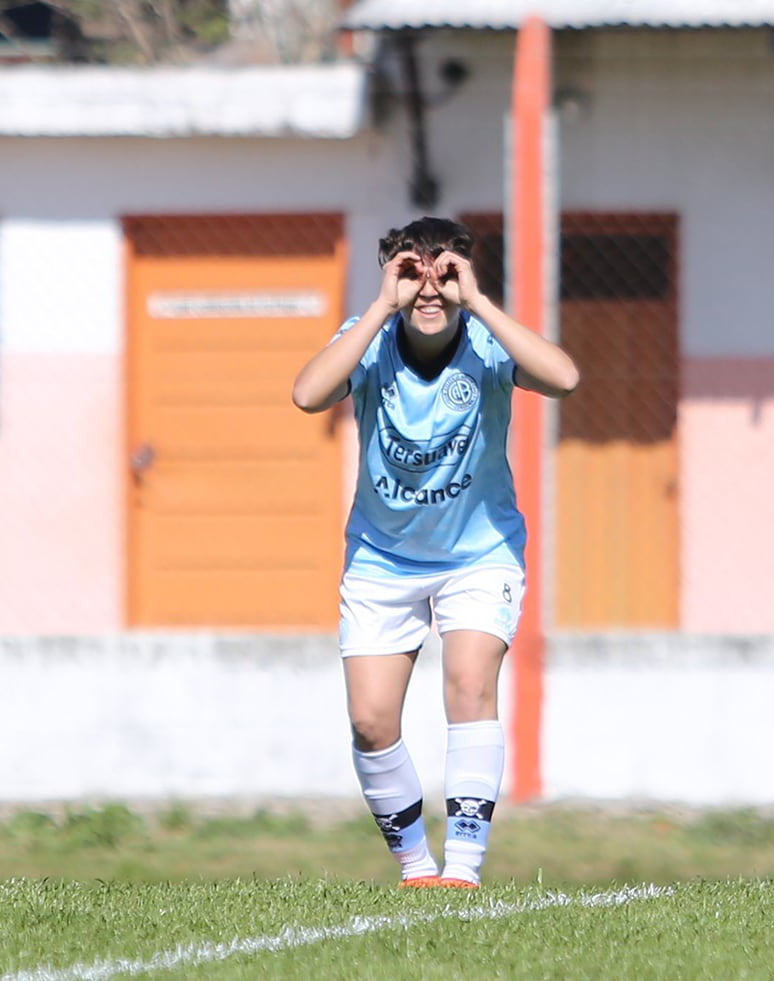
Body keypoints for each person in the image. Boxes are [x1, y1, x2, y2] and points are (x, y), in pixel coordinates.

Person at [291, 216, 579, 888]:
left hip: (478, 551)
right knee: (369, 719)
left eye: (442, 274)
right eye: (409, 273)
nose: (428, 290)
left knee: (471, 683)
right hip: (383, 555)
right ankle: (417, 868)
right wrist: (377, 307)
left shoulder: (484, 340)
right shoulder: (367, 342)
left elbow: (562, 377)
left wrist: (476, 300)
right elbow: (307, 395)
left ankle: (466, 869)